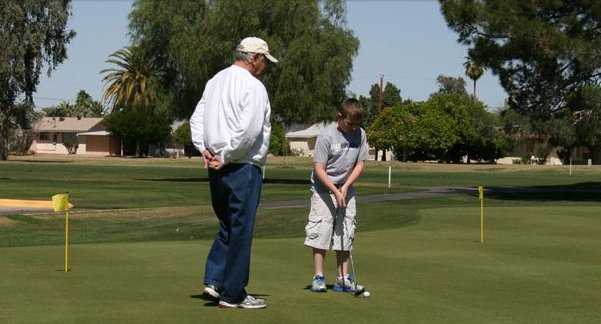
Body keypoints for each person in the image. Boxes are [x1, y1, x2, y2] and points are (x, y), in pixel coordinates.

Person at [189, 36, 277, 309]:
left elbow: (197, 119)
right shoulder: (254, 87)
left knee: (227, 224)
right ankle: (233, 294)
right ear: (253, 58)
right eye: (264, 60)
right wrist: (225, 155)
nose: (266, 66)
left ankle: (215, 281)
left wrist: (204, 148)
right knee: (240, 228)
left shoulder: (215, 81)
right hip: (242, 166)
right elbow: (249, 132)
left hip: (216, 164)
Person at [304, 98, 369, 293]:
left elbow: (360, 164)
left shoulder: (360, 134)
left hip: (346, 188)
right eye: (350, 124)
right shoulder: (326, 136)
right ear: (339, 117)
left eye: (357, 125)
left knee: (346, 231)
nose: (353, 128)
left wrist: (346, 187)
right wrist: (334, 189)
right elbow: (319, 168)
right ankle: (318, 277)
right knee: (322, 230)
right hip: (323, 188)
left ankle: (343, 278)